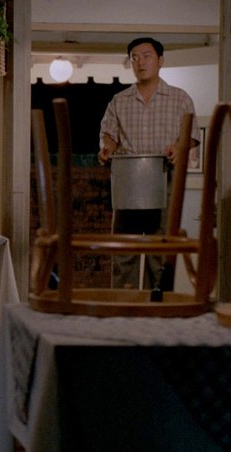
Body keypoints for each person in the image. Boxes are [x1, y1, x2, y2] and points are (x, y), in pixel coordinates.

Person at [98, 37, 199, 290]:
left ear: (160, 60)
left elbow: (191, 136)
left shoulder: (179, 98)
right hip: (128, 183)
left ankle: (158, 307)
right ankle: (125, 307)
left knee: (160, 254)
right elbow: (109, 135)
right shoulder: (119, 100)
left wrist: (178, 148)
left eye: (146, 56)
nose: (140, 62)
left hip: (164, 180)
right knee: (124, 253)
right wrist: (107, 149)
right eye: (134, 57)